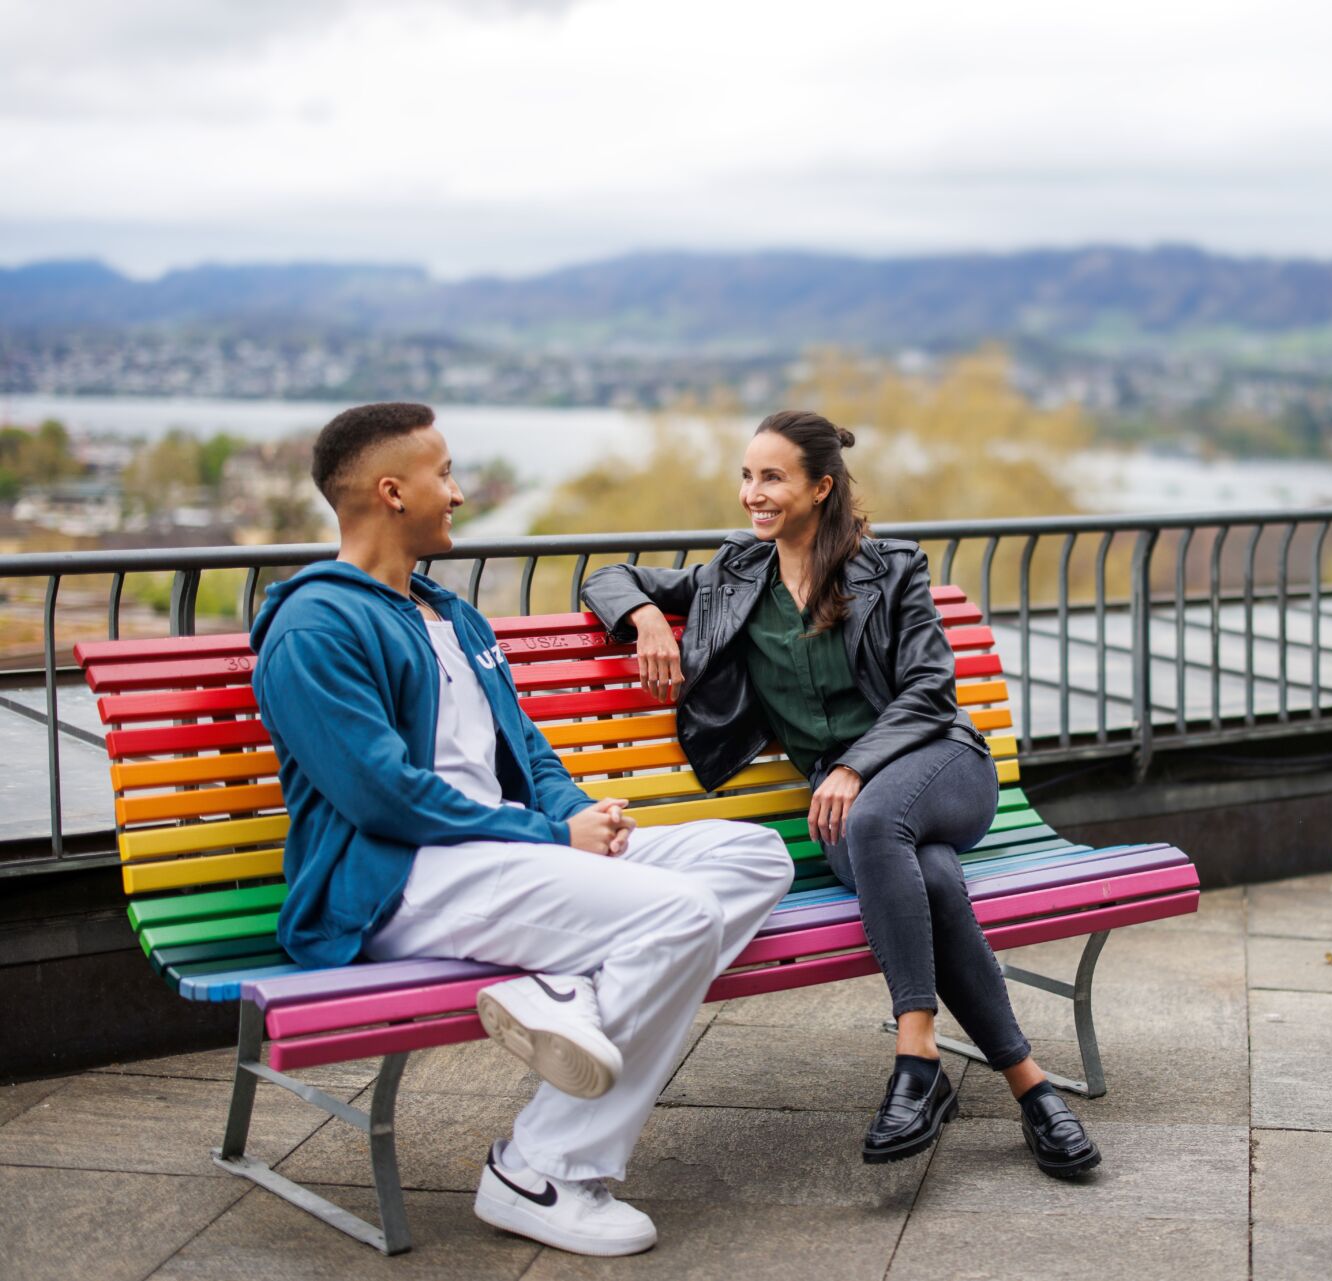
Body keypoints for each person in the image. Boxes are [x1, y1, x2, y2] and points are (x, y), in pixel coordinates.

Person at [251, 402, 794, 1257]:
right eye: (444, 475)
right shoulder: (316, 627)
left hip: (498, 851)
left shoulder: (451, 616)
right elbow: (381, 797)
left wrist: (573, 812)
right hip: (397, 878)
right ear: (392, 491)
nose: (459, 492)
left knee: (752, 854)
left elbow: (525, 748)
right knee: (681, 914)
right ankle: (539, 1168)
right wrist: (545, 837)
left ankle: (572, 996)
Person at [583, 409, 1100, 1178]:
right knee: (927, 875)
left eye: (772, 477)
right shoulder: (733, 572)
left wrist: (856, 764)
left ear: (822, 487)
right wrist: (646, 617)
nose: (751, 493)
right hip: (847, 808)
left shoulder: (889, 566)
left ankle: (915, 1056)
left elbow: (930, 688)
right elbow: (603, 574)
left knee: (878, 815)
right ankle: (1031, 1087)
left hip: (938, 764)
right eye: (747, 475)